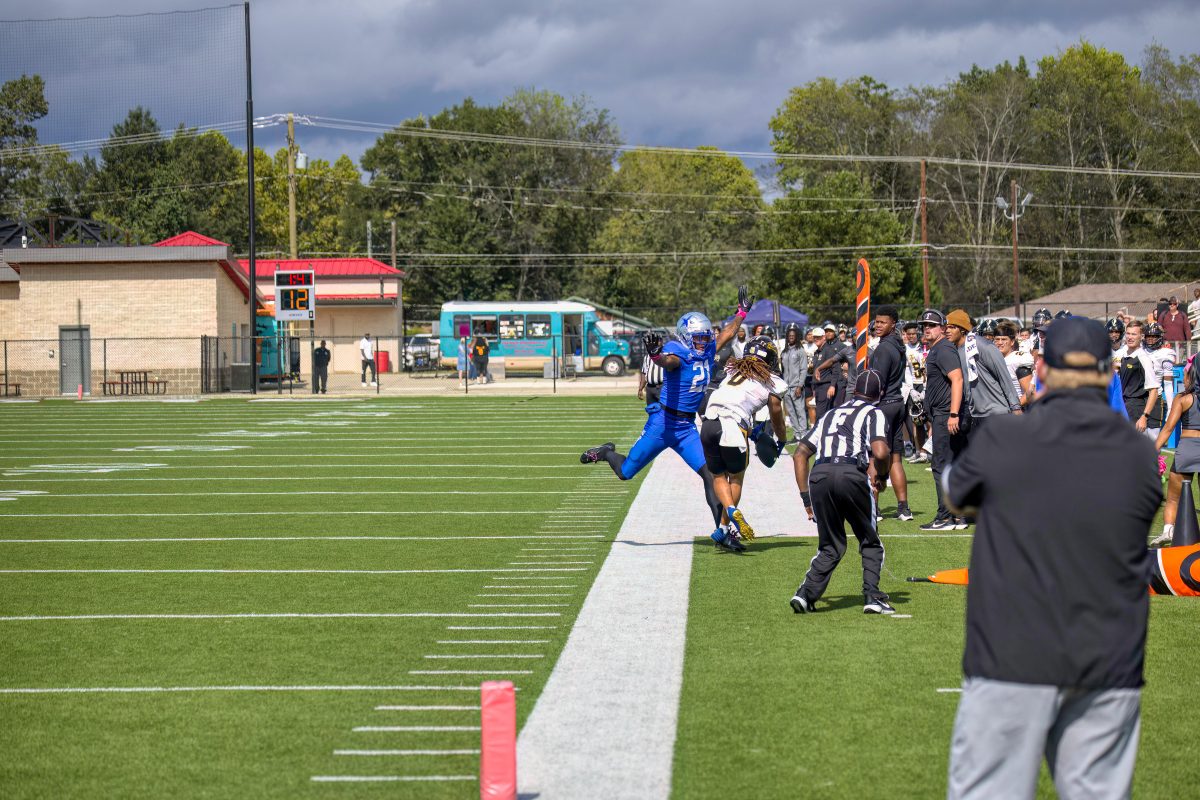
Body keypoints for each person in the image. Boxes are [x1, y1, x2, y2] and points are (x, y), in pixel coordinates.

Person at [943, 316, 1160, 800]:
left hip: (1011, 656)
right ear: (1108, 373)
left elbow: (956, 495)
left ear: (1040, 367)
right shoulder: (1138, 455)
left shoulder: (1005, 438)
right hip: (1109, 660)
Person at [580, 287, 753, 552]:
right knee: (626, 473)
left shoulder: (707, 350)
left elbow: (728, 333)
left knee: (711, 475)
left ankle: (723, 533)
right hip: (662, 424)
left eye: (705, 337)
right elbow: (667, 361)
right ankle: (606, 452)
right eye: (698, 337)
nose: (703, 342)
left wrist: (742, 312)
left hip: (686, 428)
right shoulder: (677, 351)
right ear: (685, 337)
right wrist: (655, 356)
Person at [789, 368, 895, 615]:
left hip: (820, 475)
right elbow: (881, 452)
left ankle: (805, 594)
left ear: (854, 390)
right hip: (850, 473)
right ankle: (872, 596)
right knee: (869, 540)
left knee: (830, 545)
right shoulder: (874, 412)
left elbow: (800, 454)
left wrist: (805, 497)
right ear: (880, 393)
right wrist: (881, 476)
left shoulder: (830, 413)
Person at [700, 335, 788, 545]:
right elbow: (776, 414)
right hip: (733, 426)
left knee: (718, 476)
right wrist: (782, 439)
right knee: (736, 478)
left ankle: (727, 518)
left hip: (709, 423)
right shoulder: (773, 381)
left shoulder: (731, 371)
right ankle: (727, 521)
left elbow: (731, 399)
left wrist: (753, 432)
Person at [918, 309, 968, 531]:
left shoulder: (943, 348)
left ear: (942, 328)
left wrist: (953, 413)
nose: (927, 328)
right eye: (924, 325)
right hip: (942, 414)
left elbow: (957, 379)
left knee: (940, 466)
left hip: (946, 414)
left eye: (932, 325)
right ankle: (957, 516)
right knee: (950, 465)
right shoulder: (939, 348)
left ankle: (945, 517)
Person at [865, 306, 912, 520]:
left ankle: (874, 509)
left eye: (883, 322)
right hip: (897, 403)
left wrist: (866, 402)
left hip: (883, 405)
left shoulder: (884, 348)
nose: (878, 325)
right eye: (876, 321)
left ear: (893, 324)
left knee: (874, 457)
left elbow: (878, 382)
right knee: (895, 458)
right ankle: (903, 508)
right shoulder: (898, 345)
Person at [946, 309, 1022, 433]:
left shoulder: (982, 346)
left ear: (962, 329)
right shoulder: (953, 349)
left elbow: (1003, 375)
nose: (947, 330)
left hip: (995, 412)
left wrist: (1015, 407)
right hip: (975, 414)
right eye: (946, 327)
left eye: (952, 327)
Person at [1153, 355, 1200, 546]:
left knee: (1173, 498)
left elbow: (1168, 429)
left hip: (1187, 449)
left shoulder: (1183, 398)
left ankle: (1168, 532)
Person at [1114, 321, 1158, 436]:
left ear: (1141, 336)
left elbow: (1154, 391)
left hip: (1136, 409)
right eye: (1128, 333)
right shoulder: (1121, 355)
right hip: (1121, 406)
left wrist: (1144, 416)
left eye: (1134, 334)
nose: (1130, 337)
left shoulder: (1144, 358)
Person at [1143, 322, 1176, 441]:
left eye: (1154, 336)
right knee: (1138, 435)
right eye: (1148, 336)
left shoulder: (1165, 354)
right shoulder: (1139, 350)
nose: (1150, 339)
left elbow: (1168, 383)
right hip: (1137, 397)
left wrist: (1171, 407)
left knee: (1153, 436)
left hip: (1155, 397)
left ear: (1160, 337)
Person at [902, 320, 931, 462]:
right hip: (913, 385)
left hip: (926, 385)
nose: (912, 336)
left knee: (929, 421)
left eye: (914, 334)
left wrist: (926, 388)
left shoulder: (925, 347)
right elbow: (905, 371)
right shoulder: (904, 349)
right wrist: (911, 389)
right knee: (916, 420)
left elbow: (929, 369)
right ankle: (919, 451)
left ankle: (929, 451)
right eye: (909, 334)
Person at [778, 322, 809, 442]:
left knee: (800, 410)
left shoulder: (800, 350)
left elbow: (804, 369)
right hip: (786, 387)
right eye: (789, 336)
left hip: (796, 386)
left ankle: (804, 434)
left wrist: (800, 386)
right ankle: (796, 434)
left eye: (793, 336)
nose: (791, 337)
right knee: (791, 412)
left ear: (796, 337)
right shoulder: (784, 352)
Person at [994, 322, 1033, 407]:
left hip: (1016, 408)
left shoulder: (1017, 359)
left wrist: (1015, 408)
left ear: (1012, 342)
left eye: (1004, 339)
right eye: (997, 339)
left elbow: (1030, 391)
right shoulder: (993, 359)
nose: (1000, 342)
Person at [811, 324, 846, 420]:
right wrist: (814, 388)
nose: (816, 339)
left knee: (821, 415)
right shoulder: (816, 352)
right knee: (822, 414)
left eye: (818, 337)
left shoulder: (829, 350)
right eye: (814, 337)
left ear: (823, 337)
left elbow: (836, 369)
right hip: (818, 387)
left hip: (826, 386)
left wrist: (832, 385)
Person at [638, 342, 665, 409]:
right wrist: (640, 388)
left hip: (662, 387)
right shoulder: (647, 357)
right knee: (651, 410)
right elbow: (644, 373)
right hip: (650, 388)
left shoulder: (665, 355)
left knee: (663, 410)